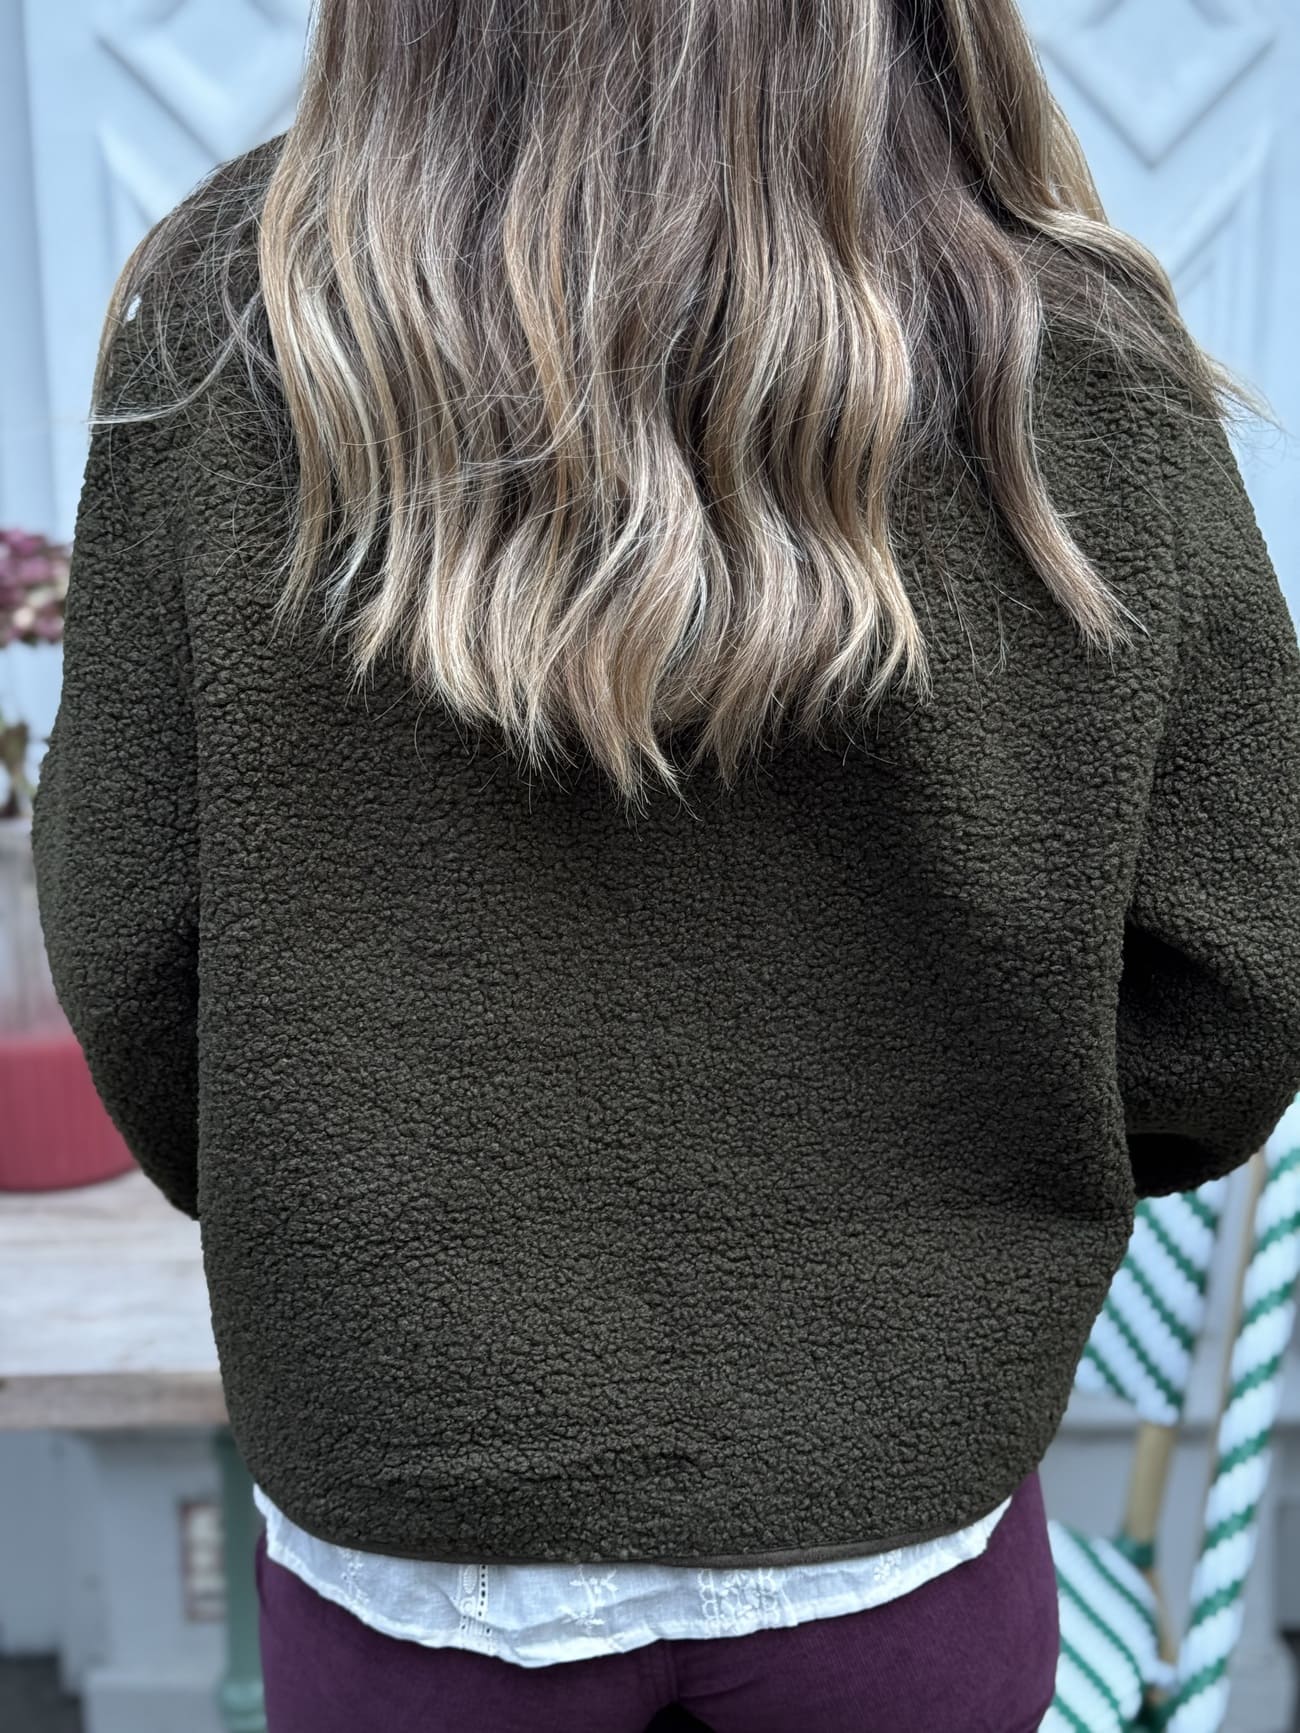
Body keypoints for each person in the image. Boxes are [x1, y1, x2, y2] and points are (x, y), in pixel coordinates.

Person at [29, 0, 1300, 1727]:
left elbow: (131, 947)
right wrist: (964, 1195)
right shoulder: (1074, 352)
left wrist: (344, 1219)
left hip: (412, 1523)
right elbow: (1236, 978)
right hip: (897, 1510)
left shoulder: (233, 324)